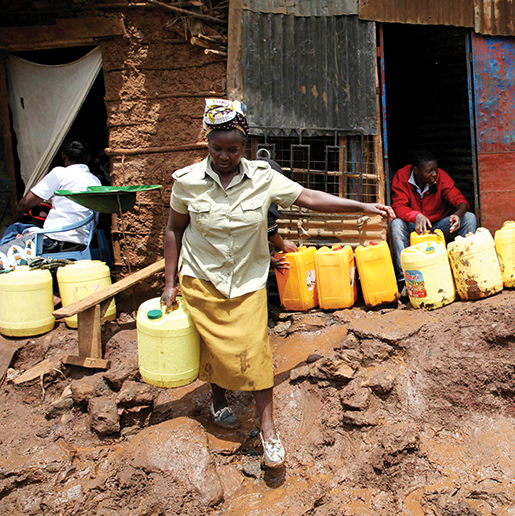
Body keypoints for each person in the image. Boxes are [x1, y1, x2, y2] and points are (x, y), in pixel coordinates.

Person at [162, 99, 394, 469]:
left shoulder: (263, 178)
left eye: (233, 149)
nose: (224, 156)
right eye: (216, 148)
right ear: (207, 145)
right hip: (202, 278)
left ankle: (269, 431)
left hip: (248, 280)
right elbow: (174, 229)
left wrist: (362, 207)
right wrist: (169, 281)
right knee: (213, 347)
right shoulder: (187, 182)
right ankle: (218, 401)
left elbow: (310, 197)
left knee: (255, 353)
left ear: (245, 146)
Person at [389, 150, 477, 290]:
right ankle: (406, 281)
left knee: (469, 217)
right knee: (396, 224)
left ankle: (464, 271)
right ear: (416, 171)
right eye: (429, 171)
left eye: (435, 170)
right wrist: (415, 216)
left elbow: (460, 199)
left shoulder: (440, 176)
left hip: (438, 226)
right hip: (415, 228)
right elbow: (398, 207)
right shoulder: (401, 176)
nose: (434, 174)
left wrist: (458, 215)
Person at [1, 137, 101, 255]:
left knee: (14, 232)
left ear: (63, 155)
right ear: (88, 158)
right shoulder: (96, 182)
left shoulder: (60, 173)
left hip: (54, 240)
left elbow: (23, 204)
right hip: (82, 242)